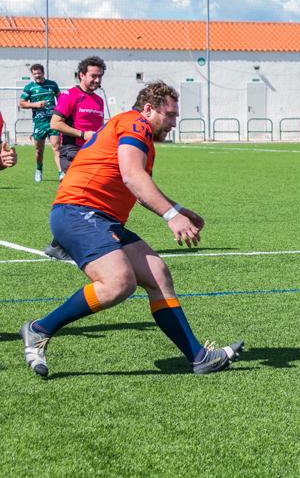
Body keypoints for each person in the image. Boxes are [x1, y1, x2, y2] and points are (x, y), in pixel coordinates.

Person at [19, 81, 244, 378]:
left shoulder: (140, 134)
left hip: (101, 218)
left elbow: (137, 186)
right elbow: (132, 176)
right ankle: (39, 329)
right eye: (171, 115)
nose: (174, 122)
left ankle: (199, 357)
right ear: (149, 109)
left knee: (157, 274)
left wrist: (178, 209)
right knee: (118, 283)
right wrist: (170, 216)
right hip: (78, 212)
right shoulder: (134, 123)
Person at [44, 56, 106, 260]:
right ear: (82, 75)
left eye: (100, 76)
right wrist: (82, 134)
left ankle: (59, 244)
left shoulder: (98, 100)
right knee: (80, 197)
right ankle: (60, 244)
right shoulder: (70, 95)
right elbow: (55, 123)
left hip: (91, 154)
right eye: (93, 76)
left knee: (86, 198)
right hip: (72, 151)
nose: (97, 80)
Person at [19, 64, 61, 182]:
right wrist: (36, 105)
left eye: (39, 73)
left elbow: (61, 99)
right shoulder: (29, 88)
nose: (37, 75)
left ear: (43, 73)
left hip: (53, 121)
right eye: (34, 73)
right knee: (39, 150)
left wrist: (60, 113)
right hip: (39, 123)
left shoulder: (52, 85)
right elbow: (22, 103)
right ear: (32, 74)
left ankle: (61, 173)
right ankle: (39, 169)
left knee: (56, 147)